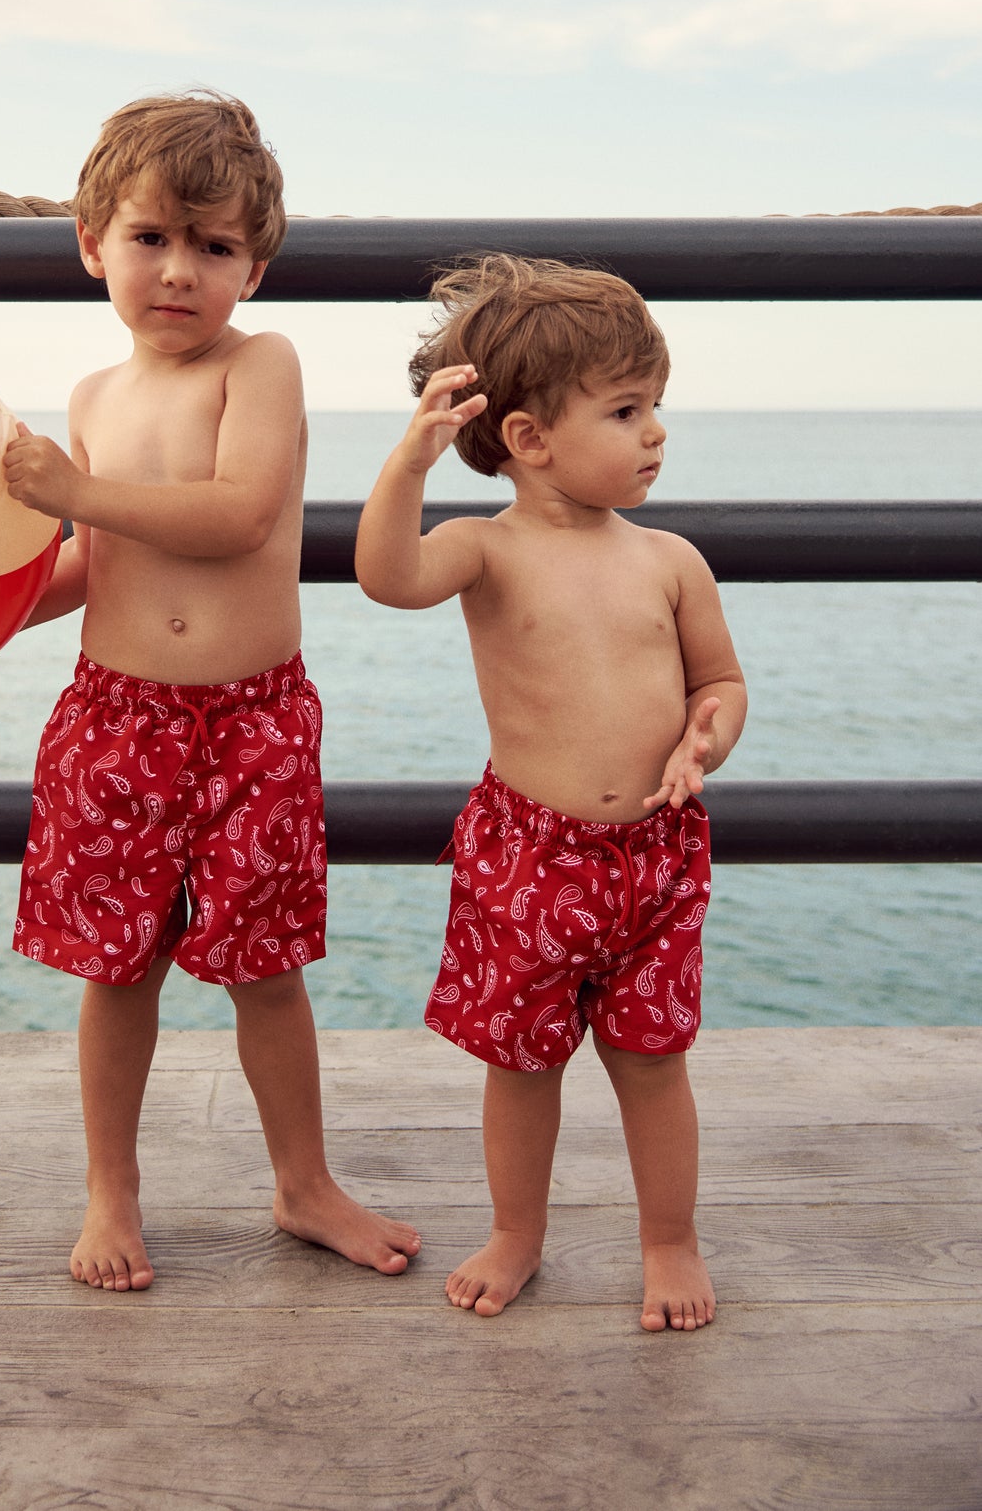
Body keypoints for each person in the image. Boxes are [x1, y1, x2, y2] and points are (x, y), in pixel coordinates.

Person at [4, 91, 422, 1293]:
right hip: (114, 711)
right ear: (93, 243)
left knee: (264, 963)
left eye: (214, 245)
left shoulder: (263, 363)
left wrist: (69, 495)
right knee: (116, 965)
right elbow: (93, 561)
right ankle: (111, 1186)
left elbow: (236, 512)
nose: (178, 270)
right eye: (149, 238)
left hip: (249, 716)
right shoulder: (92, 399)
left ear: (255, 262)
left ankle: (302, 1182)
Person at [355, 254, 746, 1331]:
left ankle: (668, 1237)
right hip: (526, 855)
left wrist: (704, 736)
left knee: (652, 1062)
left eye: (655, 404)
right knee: (519, 1066)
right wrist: (407, 465)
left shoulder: (670, 560)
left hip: (655, 858)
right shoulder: (485, 548)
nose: (655, 430)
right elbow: (386, 577)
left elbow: (717, 680)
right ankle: (515, 1231)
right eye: (626, 409)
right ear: (528, 438)